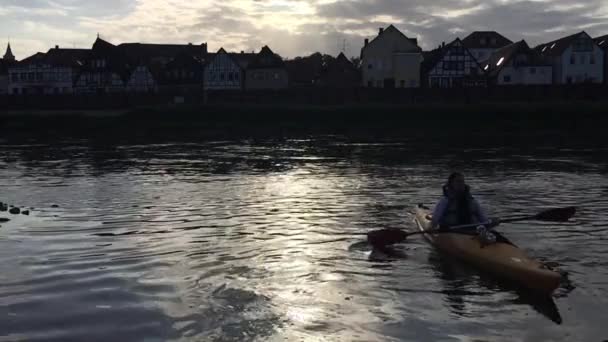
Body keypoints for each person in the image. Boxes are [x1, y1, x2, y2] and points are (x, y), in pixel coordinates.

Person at [430, 172, 499, 243]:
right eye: (457, 181)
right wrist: (432, 229)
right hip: (452, 232)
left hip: (472, 231)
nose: (461, 184)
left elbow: (484, 219)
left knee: (494, 233)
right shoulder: (445, 201)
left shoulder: (472, 200)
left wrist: (491, 223)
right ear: (451, 184)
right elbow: (435, 220)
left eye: (462, 181)